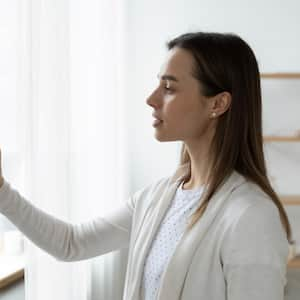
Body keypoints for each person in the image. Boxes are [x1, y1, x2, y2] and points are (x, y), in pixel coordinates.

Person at [0, 32, 294, 300]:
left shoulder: (251, 216)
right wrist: (2, 191)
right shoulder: (159, 198)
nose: (151, 99)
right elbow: (71, 243)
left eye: (169, 87)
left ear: (217, 104)